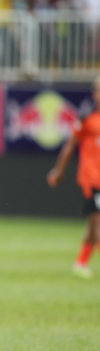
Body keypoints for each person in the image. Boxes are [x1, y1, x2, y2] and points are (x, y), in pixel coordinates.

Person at [48, 77, 100, 279]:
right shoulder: (87, 118)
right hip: (93, 179)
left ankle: (80, 262)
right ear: (95, 94)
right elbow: (70, 145)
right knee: (98, 223)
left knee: (93, 225)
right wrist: (59, 171)